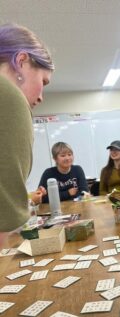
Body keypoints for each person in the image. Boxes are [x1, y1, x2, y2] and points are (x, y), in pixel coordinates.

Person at [0, 23, 54, 248]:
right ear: (21, 61)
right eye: (43, 81)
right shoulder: (10, 97)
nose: (41, 96)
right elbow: (4, 220)